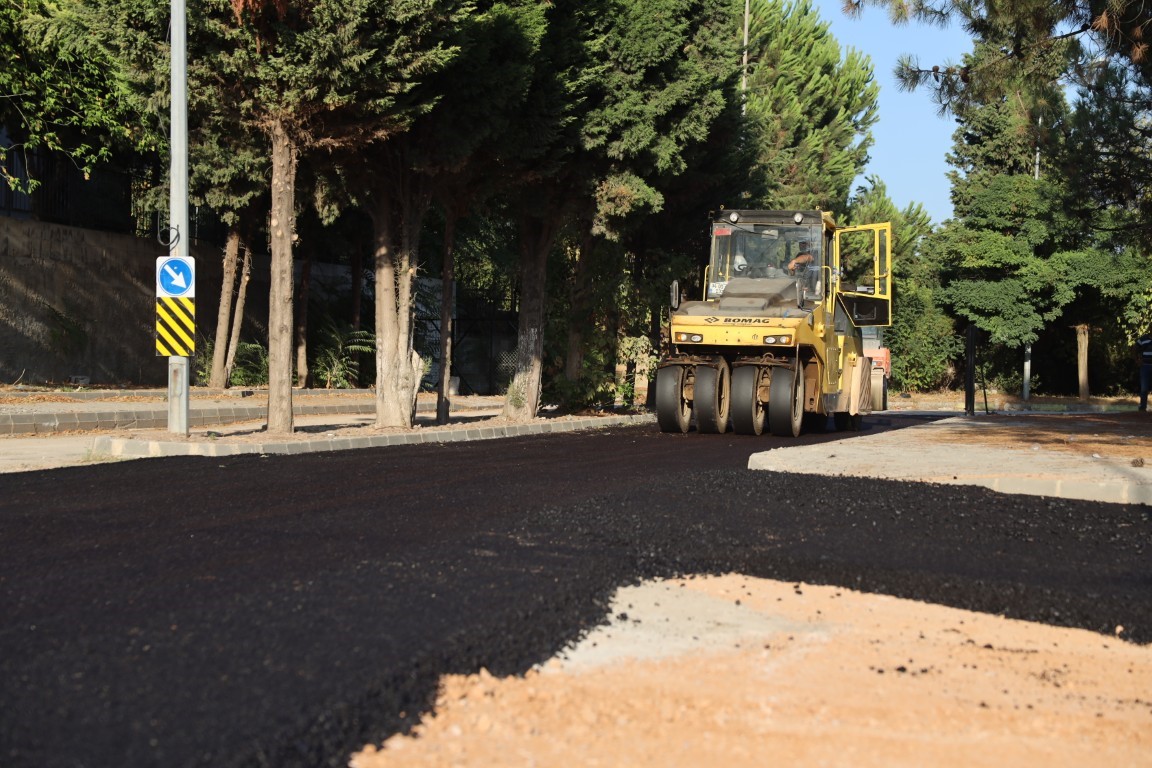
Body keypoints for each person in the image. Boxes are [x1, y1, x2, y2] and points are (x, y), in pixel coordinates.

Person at [1137, 334, 1152, 411]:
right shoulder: (1143, 338)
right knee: (1144, 388)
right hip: (1145, 366)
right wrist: (1137, 360)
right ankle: (1143, 407)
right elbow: (1134, 348)